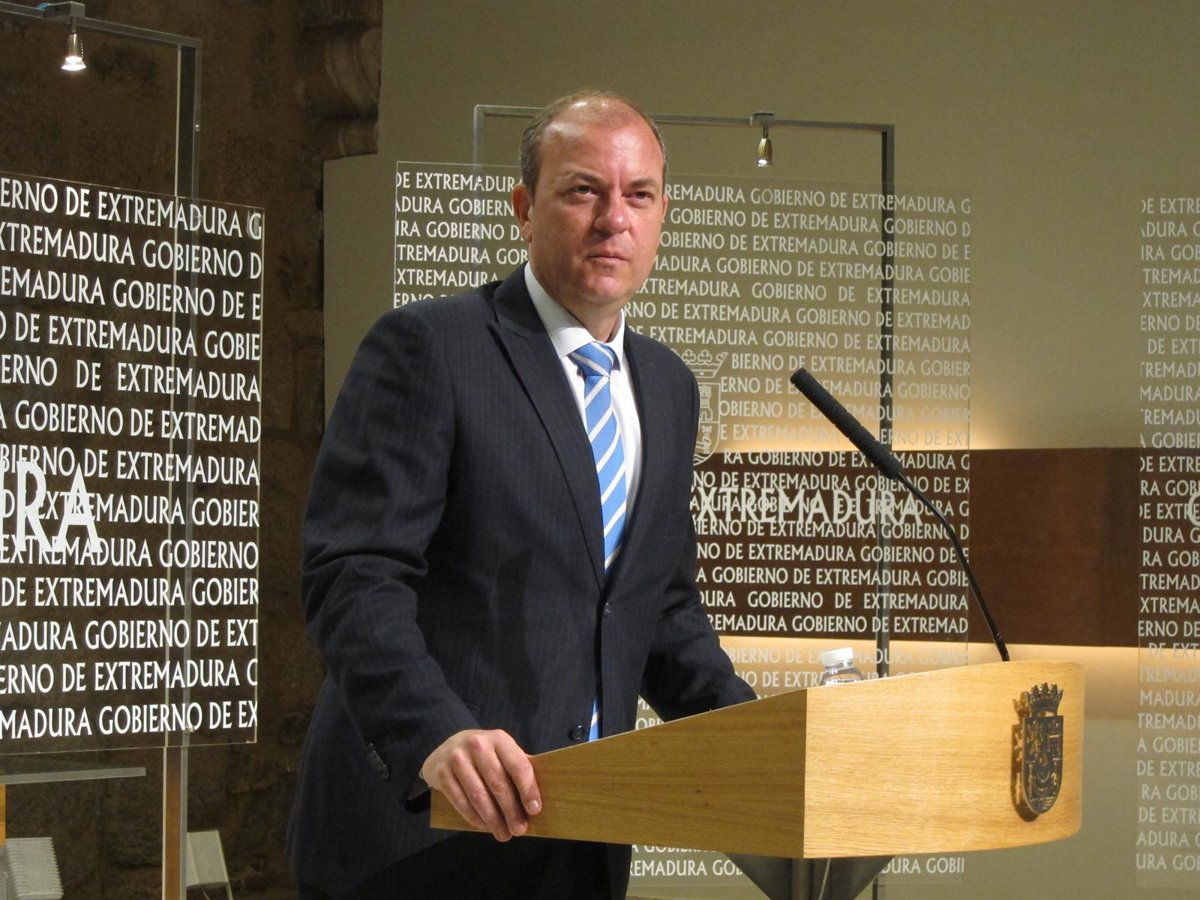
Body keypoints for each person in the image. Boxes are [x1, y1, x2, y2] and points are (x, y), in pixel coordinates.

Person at [288, 90, 755, 899]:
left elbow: (658, 605)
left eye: (639, 195)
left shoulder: (668, 386)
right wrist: (435, 734)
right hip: (424, 833)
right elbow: (354, 574)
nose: (614, 219)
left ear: (662, 217)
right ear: (523, 209)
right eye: (583, 191)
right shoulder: (431, 348)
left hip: (581, 837)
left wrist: (763, 739)